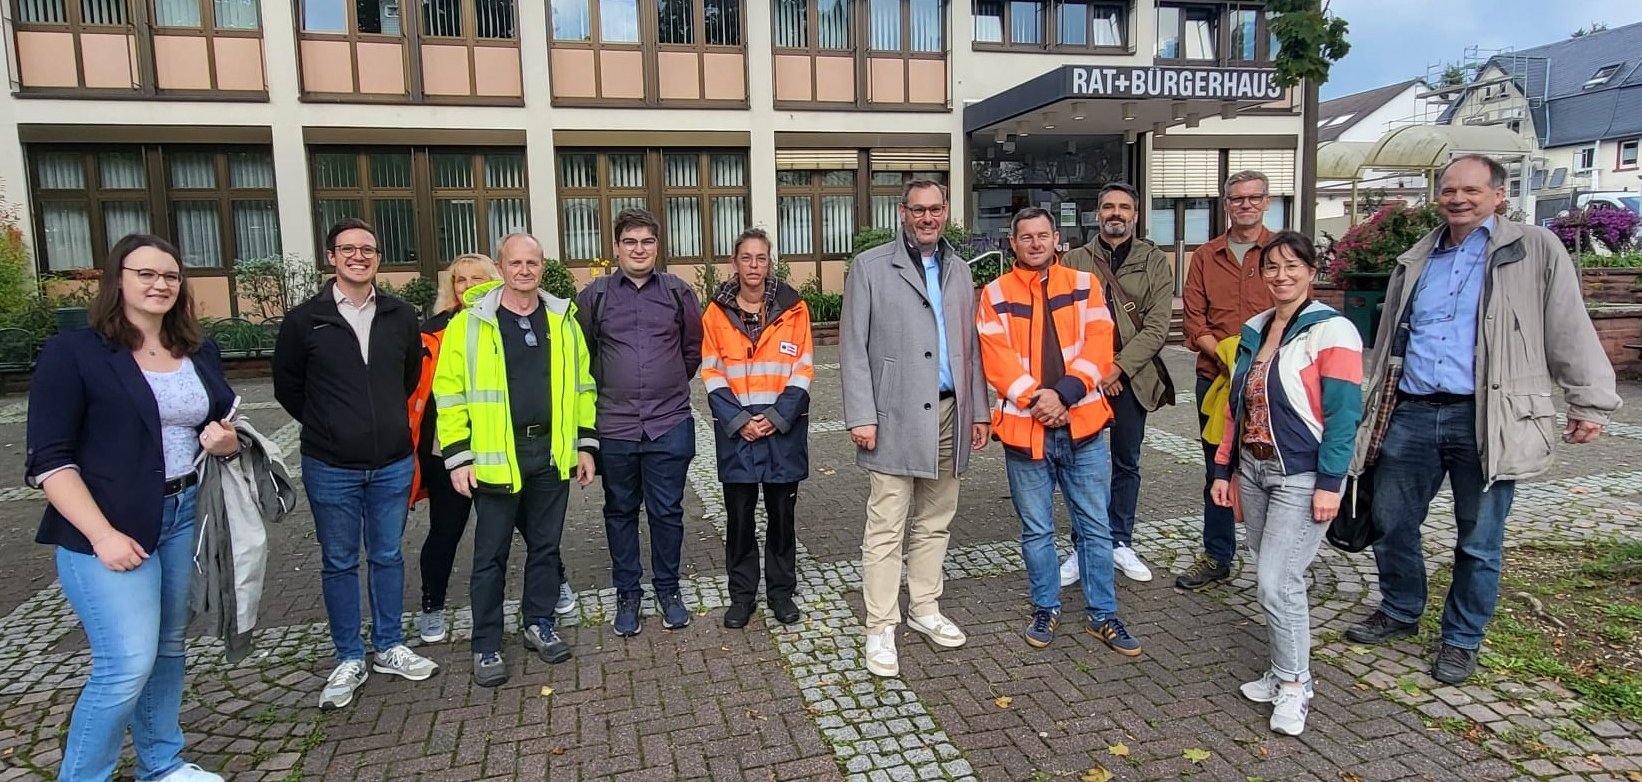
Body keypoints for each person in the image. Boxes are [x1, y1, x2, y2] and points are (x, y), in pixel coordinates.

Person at [1343, 154, 1621, 685]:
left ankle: (1462, 638)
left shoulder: (1533, 248)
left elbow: (1567, 324)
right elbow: (1390, 344)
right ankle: (1401, 609)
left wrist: (1589, 400)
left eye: (1471, 190)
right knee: (1390, 521)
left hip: (1489, 414)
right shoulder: (1418, 257)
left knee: (1479, 538)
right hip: (1413, 411)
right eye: (1448, 190)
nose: (1458, 199)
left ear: (1499, 194)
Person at [26, 235, 239, 782]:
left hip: (183, 515)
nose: (160, 284)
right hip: (108, 527)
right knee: (125, 666)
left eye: (169, 276)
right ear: (116, 278)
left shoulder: (196, 348)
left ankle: (162, 764)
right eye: (145, 273)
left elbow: (221, 422)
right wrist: (101, 536)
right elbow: (49, 461)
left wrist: (224, 440)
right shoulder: (72, 353)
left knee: (168, 652)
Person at [274, 218, 439, 710]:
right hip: (330, 465)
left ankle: (389, 645)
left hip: (391, 460)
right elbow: (289, 388)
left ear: (378, 258)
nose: (359, 256)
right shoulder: (306, 320)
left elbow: (409, 377)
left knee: (387, 555)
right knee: (340, 561)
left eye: (368, 248)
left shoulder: (400, 315)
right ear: (332, 257)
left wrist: (382, 422)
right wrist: (330, 424)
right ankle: (349, 654)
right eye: (348, 249)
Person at [1207, 231, 1364, 736]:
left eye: (1292, 266)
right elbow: (1237, 407)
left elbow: (1343, 415)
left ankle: (1296, 684)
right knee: (1269, 576)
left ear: (1311, 271)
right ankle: (1279, 673)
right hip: (1252, 469)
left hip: (1301, 473)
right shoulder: (1254, 329)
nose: (1281, 275)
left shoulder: (1332, 331)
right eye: (1272, 267)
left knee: (1279, 582)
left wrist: (1330, 482)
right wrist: (1224, 470)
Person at [433, 233, 598, 686]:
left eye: (532, 262)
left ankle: (537, 622)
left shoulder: (563, 320)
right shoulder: (469, 324)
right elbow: (448, 394)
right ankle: (486, 643)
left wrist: (585, 445)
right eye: (515, 262)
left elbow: (583, 387)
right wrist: (458, 456)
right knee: (491, 554)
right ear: (501, 267)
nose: (524, 270)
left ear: (542, 267)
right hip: (495, 457)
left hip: (550, 451)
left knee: (545, 546)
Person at [841, 180, 991, 678]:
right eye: (918, 210)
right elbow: (852, 348)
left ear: (946, 212)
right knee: (886, 525)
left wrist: (979, 411)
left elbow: (970, 348)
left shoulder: (959, 271)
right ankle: (880, 624)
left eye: (936, 209)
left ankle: (925, 606)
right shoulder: (871, 267)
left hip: (951, 412)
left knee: (936, 518)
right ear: (902, 212)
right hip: (893, 415)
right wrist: (861, 413)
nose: (927, 218)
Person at [978, 207, 1142, 656]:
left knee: (1095, 527)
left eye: (1042, 235)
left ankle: (1103, 615)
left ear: (1057, 240)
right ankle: (1045, 607)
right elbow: (997, 359)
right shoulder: (994, 293)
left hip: (1082, 425)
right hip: (1025, 430)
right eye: (1025, 237)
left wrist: (1064, 395)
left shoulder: (1085, 286)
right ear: (1012, 244)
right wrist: (1039, 400)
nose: (1034, 243)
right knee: (1036, 530)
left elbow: (1099, 344)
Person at [576, 208, 705, 637]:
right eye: (630, 241)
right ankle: (628, 593)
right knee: (620, 512)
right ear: (616, 248)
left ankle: (668, 590)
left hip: (669, 423)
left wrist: (663, 384)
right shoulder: (594, 296)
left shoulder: (677, 293)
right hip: (615, 426)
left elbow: (691, 350)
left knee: (668, 512)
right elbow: (586, 356)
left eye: (647, 241)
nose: (639, 249)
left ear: (657, 246)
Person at [1060, 182, 1176, 585]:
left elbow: (1159, 325)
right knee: (1081, 466)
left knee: (1127, 461)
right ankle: (1083, 544)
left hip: (1133, 378)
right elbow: (1064, 324)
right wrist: (1097, 371)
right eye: (1108, 206)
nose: (1116, 213)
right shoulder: (1074, 260)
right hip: (1084, 381)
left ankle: (1119, 541)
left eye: (1124, 207)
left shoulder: (1155, 261)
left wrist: (1119, 368)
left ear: (1135, 215)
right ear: (1097, 213)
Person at [701, 228, 814, 629]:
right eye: (746, 258)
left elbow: (803, 368)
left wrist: (777, 417)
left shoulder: (794, 309)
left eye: (761, 258)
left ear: (770, 263)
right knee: (740, 519)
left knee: (782, 518)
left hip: (782, 431)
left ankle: (781, 593)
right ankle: (742, 596)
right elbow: (711, 372)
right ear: (735, 263)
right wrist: (739, 421)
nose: (753, 265)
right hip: (738, 434)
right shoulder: (715, 312)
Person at [1178, 170, 1278, 591]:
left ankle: (1274, 563)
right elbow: (1193, 321)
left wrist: (1262, 361)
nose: (1246, 205)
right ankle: (1218, 555)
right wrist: (1223, 353)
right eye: (1237, 199)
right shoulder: (1205, 256)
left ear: (1266, 202)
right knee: (1218, 468)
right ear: (1226, 204)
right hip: (1216, 380)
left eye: (1254, 198)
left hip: (1272, 384)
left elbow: (1294, 309)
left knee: (1276, 471)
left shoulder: (1280, 252)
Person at [411, 253, 500, 644]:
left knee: (526, 525)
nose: (467, 287)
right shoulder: (432, 332)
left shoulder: (508, 322)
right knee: (446, 531)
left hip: (499, 447)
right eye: (460, 280)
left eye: (477, 279)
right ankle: (432, 606)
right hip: (448, 449)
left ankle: (558, 584)